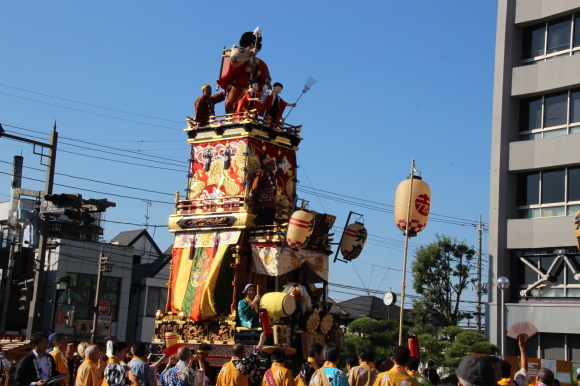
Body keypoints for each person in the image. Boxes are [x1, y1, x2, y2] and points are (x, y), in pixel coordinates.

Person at [217, 31, 271, 113]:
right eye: (252, 43)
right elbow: (235, 56)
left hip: (253, 93)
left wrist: (266, 85)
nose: (254, 46)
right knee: (233, 114)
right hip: (237, 92)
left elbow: (266, 79)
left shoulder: (260, 63)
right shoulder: (239, 55)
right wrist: (249, 52)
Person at [249, 159, 277, 226]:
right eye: (273, 165)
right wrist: (251, 193)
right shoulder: (262, 173)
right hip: (264, 202)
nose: (274, 167)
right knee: (266, 219)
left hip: (271, 202)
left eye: (274, 165)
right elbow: (256, 184)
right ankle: (265, 232)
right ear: (267, 165)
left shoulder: (272, 175)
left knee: (271, 218)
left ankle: (268, 232)